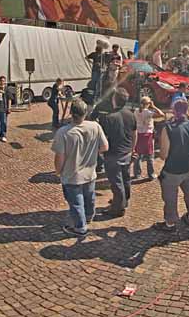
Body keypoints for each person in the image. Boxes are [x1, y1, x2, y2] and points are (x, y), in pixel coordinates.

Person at [52, 99, 109, 237]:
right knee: (89, 197)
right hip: (90, 172)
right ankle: (88, 217)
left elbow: (59, 157)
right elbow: (104, 147)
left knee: (76, 203)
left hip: (71, 175)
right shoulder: (95, 126)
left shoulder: (63, 132)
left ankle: (80, 227)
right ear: (86, 113)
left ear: (71, 113)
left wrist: (58, 171)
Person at [154, 99, 189, 231]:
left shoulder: (167, 128)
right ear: (187, 110)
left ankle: (170, 222)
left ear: (173, 111)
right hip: (188, 167)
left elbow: (163, 154)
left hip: (172, 170)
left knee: (170, 197)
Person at [97, 88, 137, 217]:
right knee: (126, 179)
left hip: (113, 154)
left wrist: (101, 152)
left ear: (114, 100)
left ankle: (118, 208)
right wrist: (132, 148)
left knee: (116, 182)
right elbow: (134, 133)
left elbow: (104, 138)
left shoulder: (108, 117)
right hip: (127, 151)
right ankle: (123, 201)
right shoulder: (131, 114)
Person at [133, 96, 163, 180]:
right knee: (150, 156)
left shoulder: (136, 111)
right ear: (148, 104)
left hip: (138, 134)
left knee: (138, 155)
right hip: (147, 135)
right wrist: (154, 106)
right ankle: (151, 174)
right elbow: (161, 114)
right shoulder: (148, 113)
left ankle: (137, 174)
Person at [0, 76, 15, 142]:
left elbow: (10, 99)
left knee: (3, 122)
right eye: (1, 80)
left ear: (5, 82)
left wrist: (9, 108)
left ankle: (3, 135)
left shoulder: (7, 89)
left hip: (3, 109)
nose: (2, 82)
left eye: (3, 81)